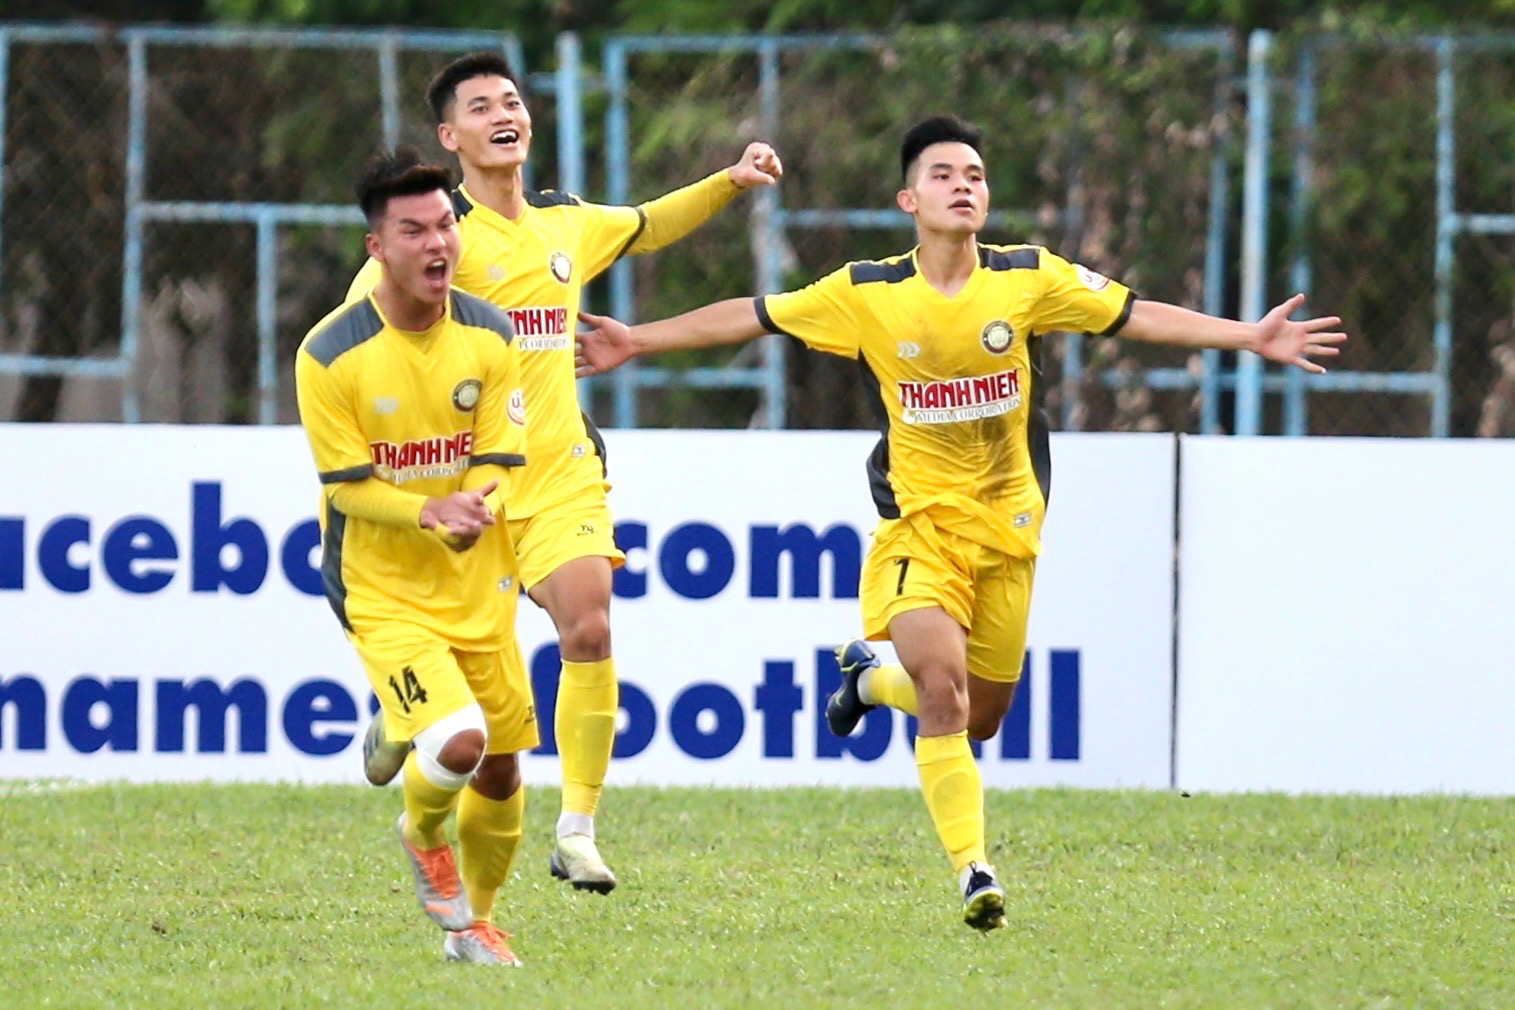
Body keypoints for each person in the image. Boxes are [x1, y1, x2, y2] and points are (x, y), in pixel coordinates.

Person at [573, 115, 1347, 931]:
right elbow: (755, 315)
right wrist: (639, 340)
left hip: (1008, 535)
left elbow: (1134, 314)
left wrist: (1248, 337)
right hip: (918, 532)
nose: (963, 185)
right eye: (943, 174)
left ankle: (867, 681)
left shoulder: (1027, 279)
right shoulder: (867, 292)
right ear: (910, 198)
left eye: (974, 174)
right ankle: (973, 871)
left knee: (981, 715)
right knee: (941, 690)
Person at [349, 51, 784, 894]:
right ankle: (410, 715)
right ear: (450, 137)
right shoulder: (442, 236)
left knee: (589, 626)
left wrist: (729, 180)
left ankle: (578, 831)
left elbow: (648, 222)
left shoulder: (565, 223)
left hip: (557, 473)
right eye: (480, 107)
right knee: (487, 744)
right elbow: (357, 320)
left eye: (511, 101)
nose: (502, 114)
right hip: (466, 484)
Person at [296, 147, 534, 966]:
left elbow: (503, 460)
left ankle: (476, 927)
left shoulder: (492, 332)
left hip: (478, 580)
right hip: (380, 585)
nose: (438, 244)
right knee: (460, 743)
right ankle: (420, 830)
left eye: (445, 226)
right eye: (414, 231)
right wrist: (431, 509)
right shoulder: (329, 355)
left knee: (500, 768)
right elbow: (348, 488)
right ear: (377, 249)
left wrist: (479, 508)